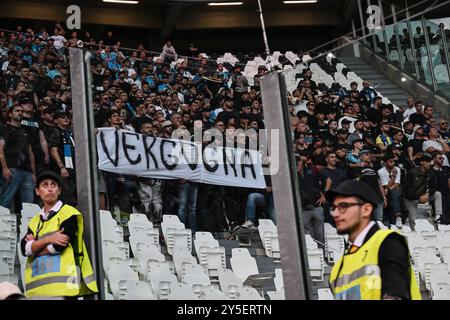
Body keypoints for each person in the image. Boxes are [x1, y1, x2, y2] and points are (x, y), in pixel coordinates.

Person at [326, 180, 421, 300]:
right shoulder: (336, 270)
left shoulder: (387, 241)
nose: (335, 213)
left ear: (366, 209)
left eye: (343, 206)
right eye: (333, 208)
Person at [20, 171, 98, 298]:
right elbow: (24, 249)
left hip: (64, 288)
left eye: (53, 185)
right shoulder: (34, 221)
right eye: (45, 185)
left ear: (59, 191)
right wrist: (48, 239)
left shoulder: (68, 213)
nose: (50, 189)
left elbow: (60, 245)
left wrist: (35, 247)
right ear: (37, 191)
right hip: (39, 290)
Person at [403, 155, 442, 230]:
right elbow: (406, 191)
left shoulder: (430, 172)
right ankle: (412, 232)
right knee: (412, 219)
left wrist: (428, 194)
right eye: (427, 162)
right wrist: (418, 197)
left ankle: (438, 215)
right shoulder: (412, 173)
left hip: (423, 196)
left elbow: (434, 187)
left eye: (430, 162)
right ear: (421, 162)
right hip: (411, 198)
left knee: (437, 194)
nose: (429, 164)